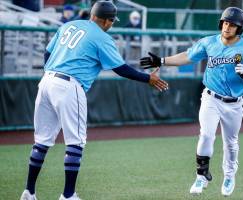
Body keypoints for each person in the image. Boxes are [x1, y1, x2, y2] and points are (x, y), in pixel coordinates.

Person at [20, 1, 168, 200]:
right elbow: (120, 69)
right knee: (75, 143)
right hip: (69, 86)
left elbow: (47, 53)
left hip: (46, 81)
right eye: (111, 21)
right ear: (106, 21)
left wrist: (52, 73)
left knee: (41, 141)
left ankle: (29, 192)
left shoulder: (68, 25)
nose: (111, 24)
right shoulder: (101, 36)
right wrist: (148, 78)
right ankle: (68, 195)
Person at [140, 7, 243, 197]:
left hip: (234, 103)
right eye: (225, 22)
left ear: (240, 28)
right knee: (206, 135)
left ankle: (229, 175)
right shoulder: (209, 42)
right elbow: (187, 56)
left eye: (232, 24)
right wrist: (162, 60)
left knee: (230, 143)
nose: (227, 27)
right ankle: (201, 175)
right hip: (211, 97)